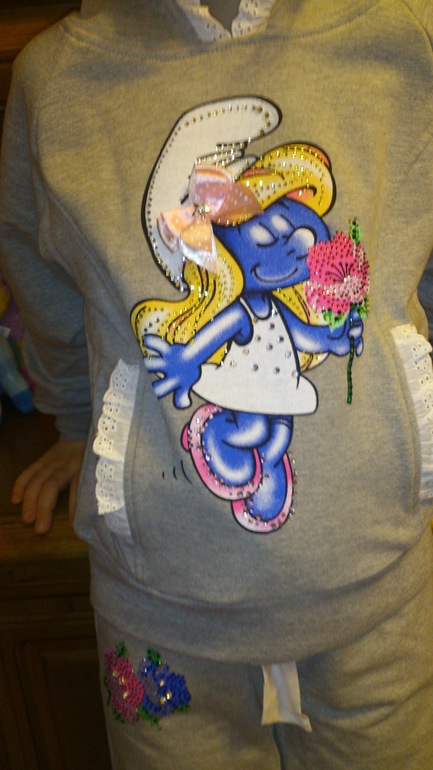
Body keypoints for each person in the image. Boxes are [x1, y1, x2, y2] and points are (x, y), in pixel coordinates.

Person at [1, 1, 433, 768]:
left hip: (380, 593)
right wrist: (75, 420)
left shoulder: (407, 34)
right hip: (162, 606)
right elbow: (42, 279)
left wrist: (391, 382)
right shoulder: (57, 80)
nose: (291, 244)